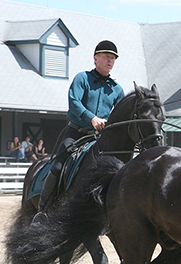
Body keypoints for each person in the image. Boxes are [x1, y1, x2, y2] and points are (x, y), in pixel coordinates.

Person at [36, 40, 125, 219]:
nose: (110, 61)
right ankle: (42, 211)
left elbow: (120, 115)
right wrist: (92, 118)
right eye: (106, 57)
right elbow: (74, 103)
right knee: (59, 166)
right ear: (95, 58)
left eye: (113, 58)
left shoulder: (117, 90)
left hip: (101, 138)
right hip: (76, 133)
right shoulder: (82, 78)